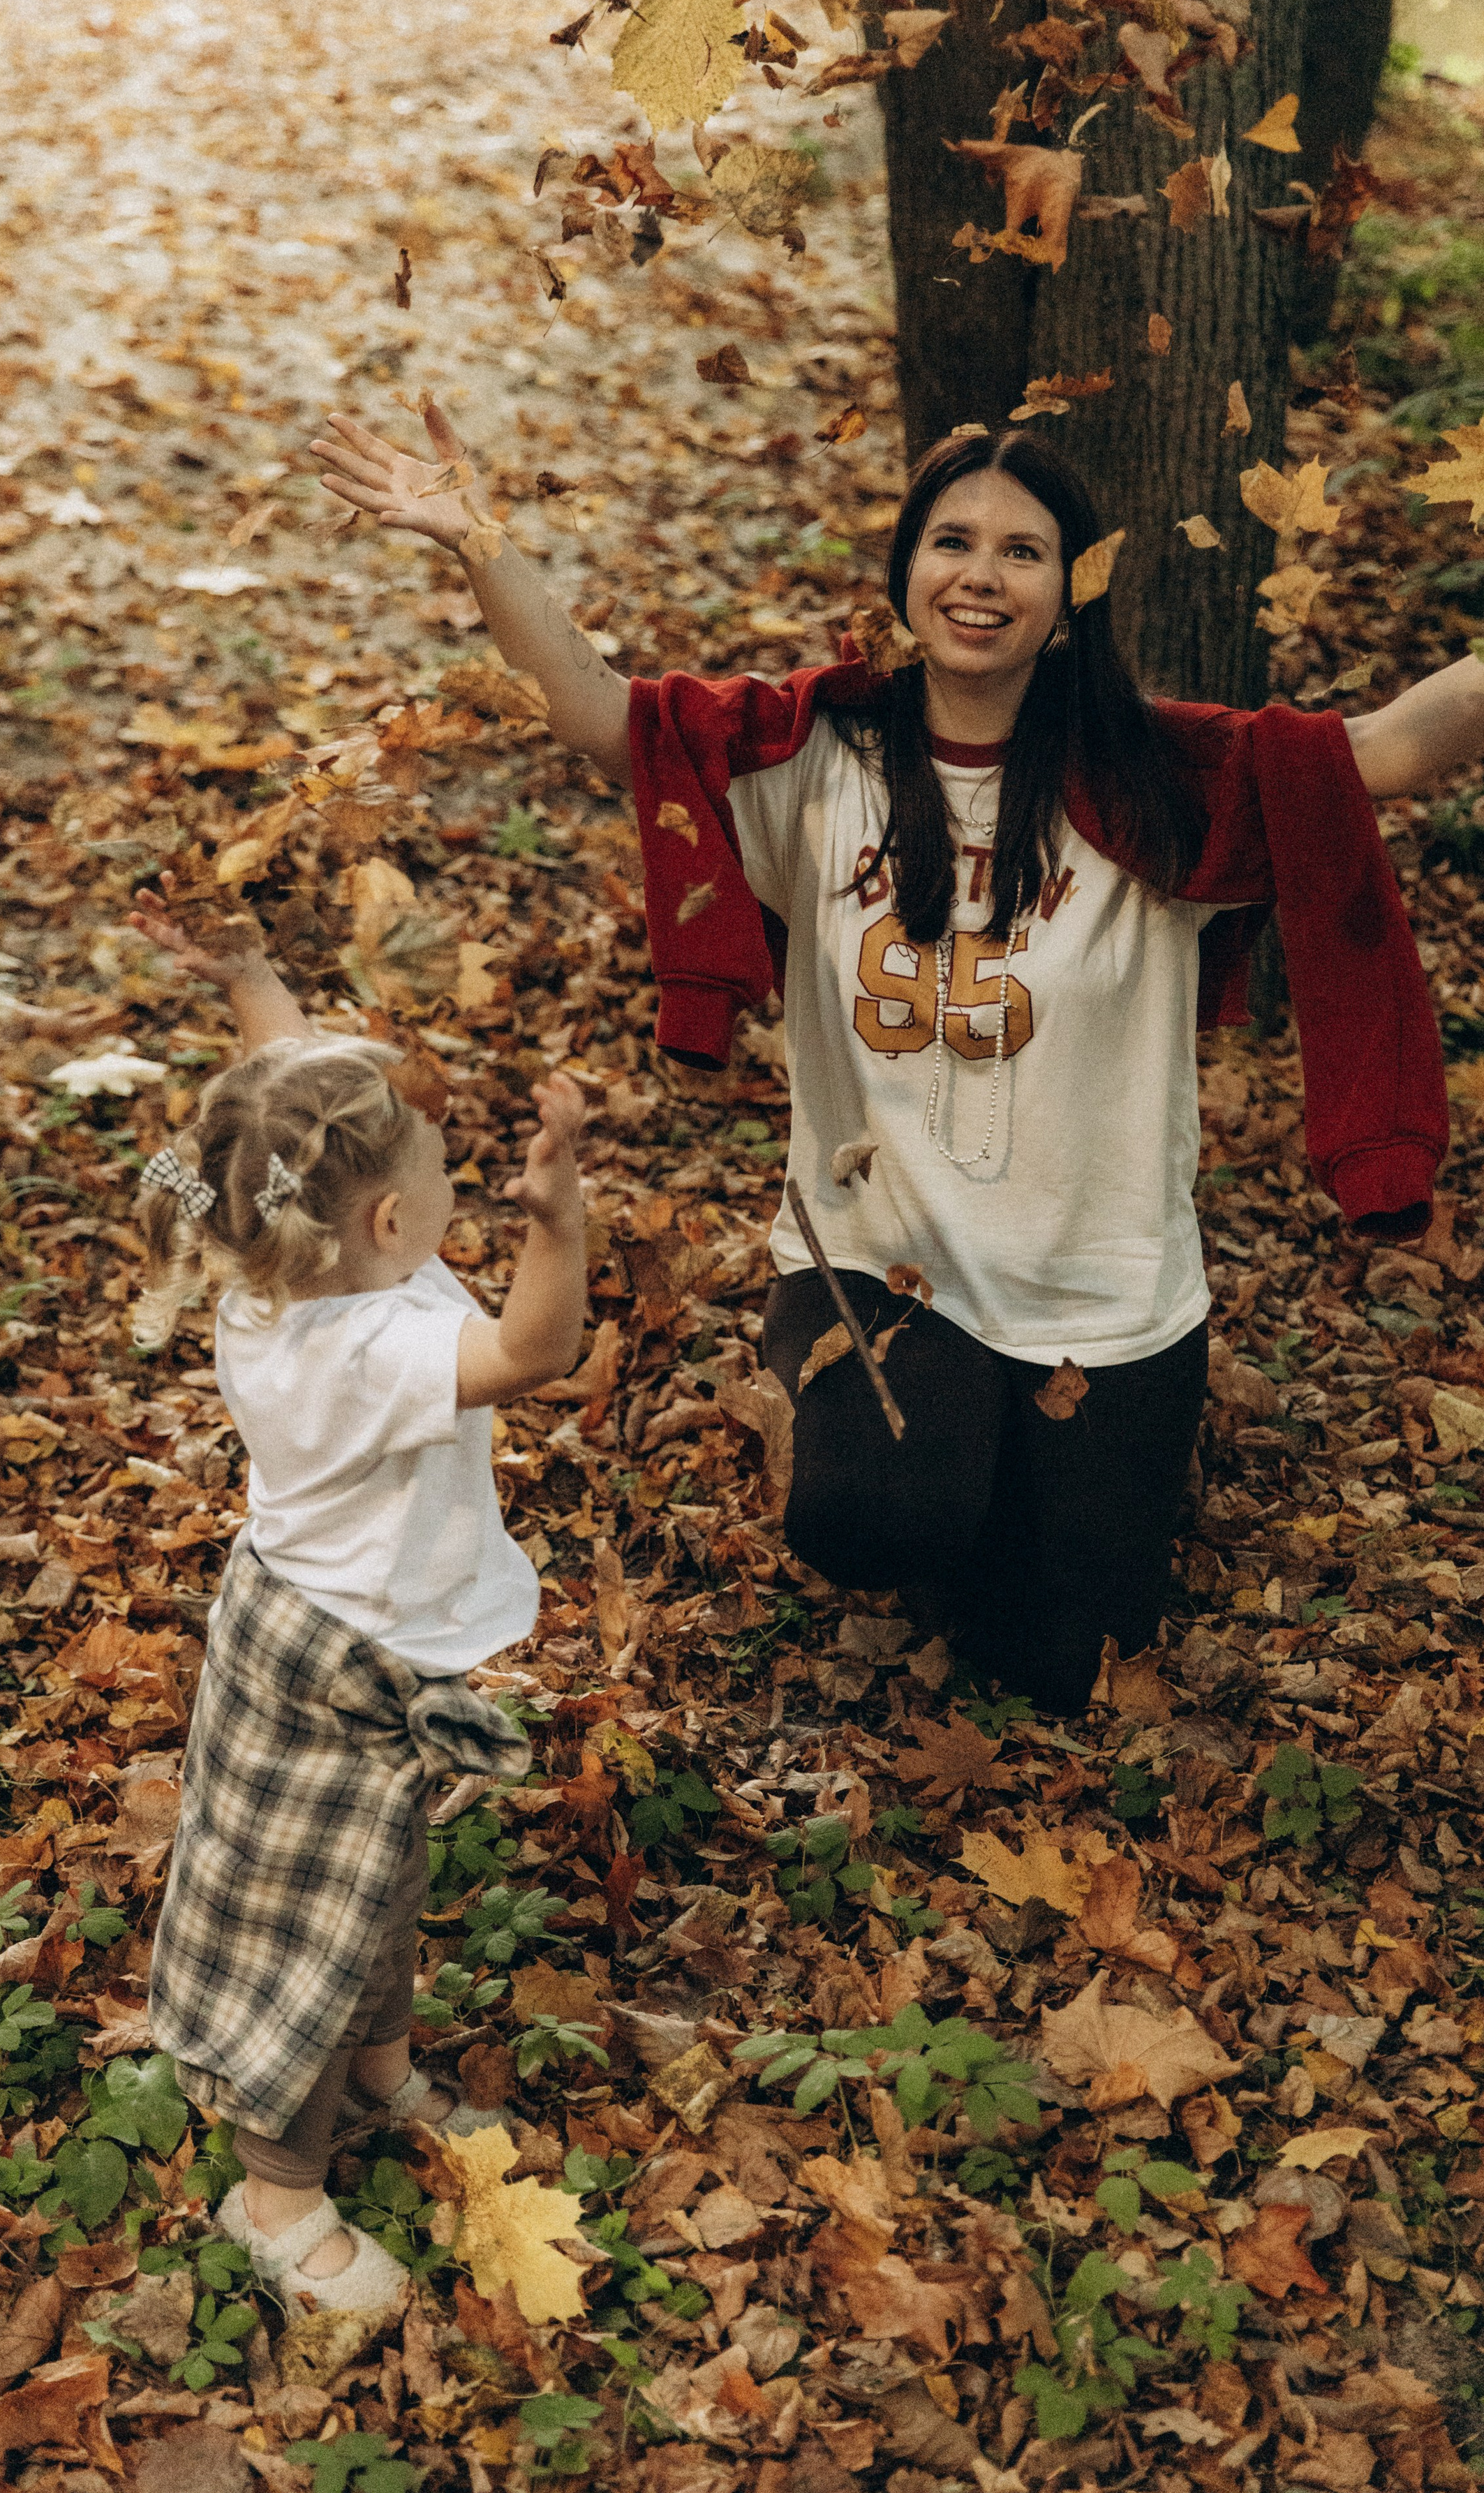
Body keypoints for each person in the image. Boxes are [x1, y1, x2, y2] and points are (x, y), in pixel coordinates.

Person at [312, 403, 1470, 1715]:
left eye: (1023, 551)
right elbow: (595, 710)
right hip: (878, 1260)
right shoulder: (815, 758)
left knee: (1062, 1667)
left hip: (1105, 1289)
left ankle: (1039, 1474)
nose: (982, 576)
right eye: (952, 542)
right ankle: (936, 1461)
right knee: (872, 1519)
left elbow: (1383, 751)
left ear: (1071, 593)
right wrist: (475, 537)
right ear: (906, 574)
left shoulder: (1158, 779)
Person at [134, 892, 587, 2310]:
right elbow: (533, 1350)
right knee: (304, 1931)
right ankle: (274, 2198)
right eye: (446, 1177)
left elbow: (297, 1106)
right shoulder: (378, 1345)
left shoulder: (284, 1265)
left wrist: (255, 979)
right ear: (395, 1217)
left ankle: (379, 2074)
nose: (455, 1192)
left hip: (319, 1631)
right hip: (336, 1665)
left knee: (377, 1888)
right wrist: (556, 1216)